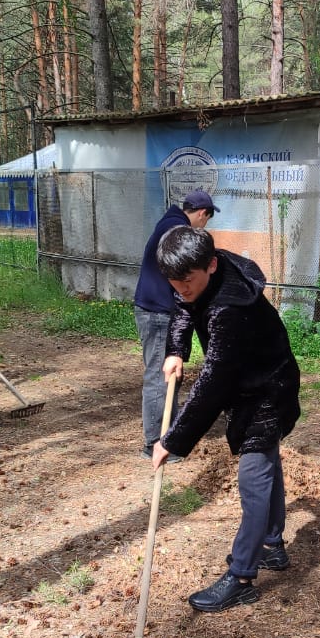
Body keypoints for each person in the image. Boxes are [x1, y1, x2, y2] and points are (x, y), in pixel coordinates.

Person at [152, 225, 301, 613]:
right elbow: (183, 304)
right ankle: (271, 545)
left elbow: (213, 383)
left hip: (269, 388)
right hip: (249, 380)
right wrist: (177, 349)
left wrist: (173, 440)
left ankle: (242, 577)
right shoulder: (200, 271)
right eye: (174, 282)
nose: (181, 289)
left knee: (254, 477)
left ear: (211, 266)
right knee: (267, 466)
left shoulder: (229, 309)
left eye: (187, 281)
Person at [133, 190, 217, 461]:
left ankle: (166, 436)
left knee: (168, 375)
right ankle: (155, 443)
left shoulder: (169, 224)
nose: (204, 226)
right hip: (158, 311)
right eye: (207, 220)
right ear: (202, 214)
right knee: (162, 377)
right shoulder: (177, 231)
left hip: (155, 308)